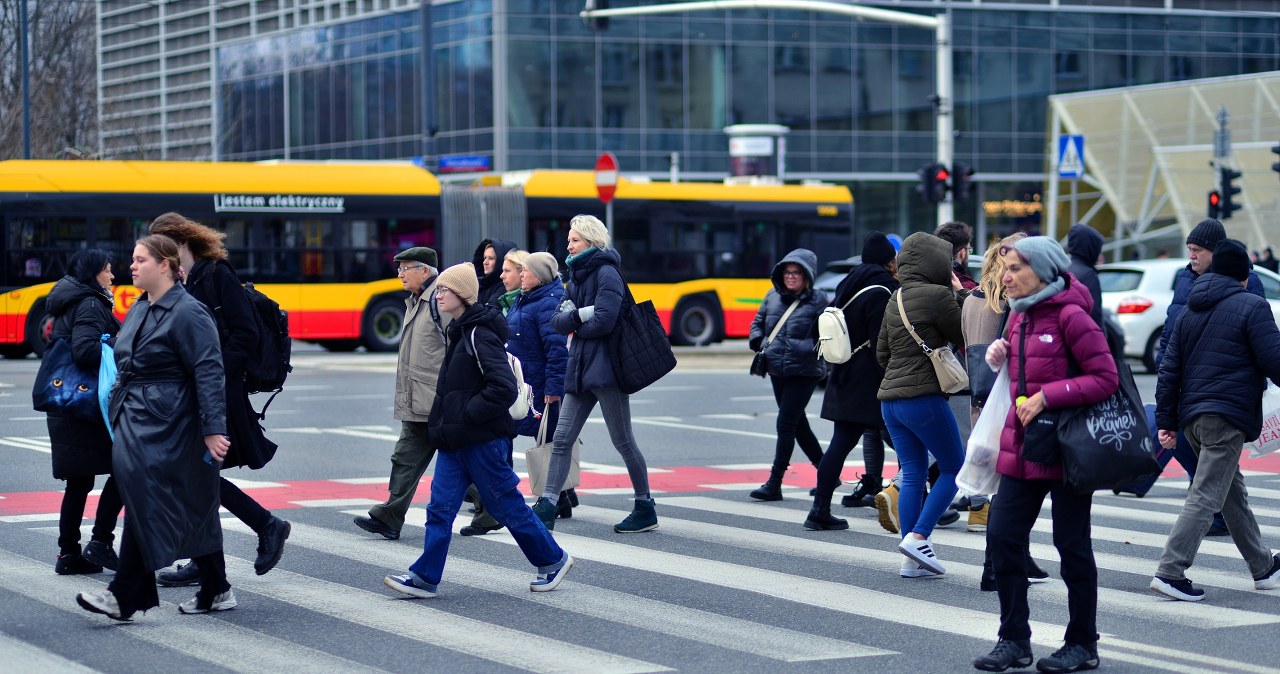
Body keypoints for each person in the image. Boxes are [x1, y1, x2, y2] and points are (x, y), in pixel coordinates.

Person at [383, 263, 573, 598]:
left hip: (482, 440)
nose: (438, 294)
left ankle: (554, 559)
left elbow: (502, 388)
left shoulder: (478, 333)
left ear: (462, 294)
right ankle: (425, 576)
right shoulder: (458, 330)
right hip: (456, 439)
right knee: (439, 508)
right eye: (438, 289)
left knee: (506, 506)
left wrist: (466, 415)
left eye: (444, 289)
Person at [973, 236, 1117, 673]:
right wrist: (1000, 355)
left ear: (1043, 271)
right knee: (1001, 538)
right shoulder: (1019, 318)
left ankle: (1082, 643)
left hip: (1068, 448)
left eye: (1015, 268)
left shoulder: (1073, 316)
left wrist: (1048, 397)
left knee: (1072, 546)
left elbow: (1105, 377)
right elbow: (1023, 371)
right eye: (1004, 269)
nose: (1006, 277)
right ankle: (1014, 639)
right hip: (1023, 444)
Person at [76, 234, 234, 620]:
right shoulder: (141, 308)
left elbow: (209, 372)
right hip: (136, 418)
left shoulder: (189, 312)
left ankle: (124, 595)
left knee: (146, 500)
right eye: (132, 259)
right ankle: (216, 587)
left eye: (141, 259)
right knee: (189, 505)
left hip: (171, 423)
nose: (131, 266)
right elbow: (123, 361)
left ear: (165, 265)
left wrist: (213, 428)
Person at [148, 214, 291, 586]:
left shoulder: (216, 274)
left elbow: (245, 334)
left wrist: (209, 371)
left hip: (217, 390)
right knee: (195, 475)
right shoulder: (188, 279)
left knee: (194, 474)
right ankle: (213, 556)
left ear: (181, 241)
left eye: (161, 246)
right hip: (197, 390)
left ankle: (264, 526)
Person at [1152, 239, 1280, 602]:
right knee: (1207, 494)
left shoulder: (1190, 309)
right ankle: (1170, 571)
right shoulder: (1253, 305)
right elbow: (1275, 359)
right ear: (1243, 275)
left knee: (1230, 493)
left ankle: (1263, 567)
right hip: (1225, 416)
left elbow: (1168, 370)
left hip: (1191, 417)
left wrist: (1168, 421)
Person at [532, 215, 658, 533]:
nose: (568, 245)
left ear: (591, 241)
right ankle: (547, 505)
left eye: (574, 239)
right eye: (569, 239)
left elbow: (604, 321)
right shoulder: (576, 276)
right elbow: (556, 322)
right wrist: (579, 316)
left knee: (623, 440)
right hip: (581, 366)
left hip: (609, 369)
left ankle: (645, 506)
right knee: (561, 439)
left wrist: (573, 317)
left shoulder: (606, 273)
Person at [1155, 219, 1263, 537]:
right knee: (1217, 473)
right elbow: (1172, 325)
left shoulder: (1246, 283)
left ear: (1216, 253)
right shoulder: (1185, 280)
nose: (1192, 256)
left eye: (1198, 250)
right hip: (1188, 385)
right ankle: (1260, 563)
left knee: (1212, 478)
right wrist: (1165, 365)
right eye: (1189, 250)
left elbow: (1254, 336)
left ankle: (1173, 566)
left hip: (1221, 392)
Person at [876, 232, 966, 578]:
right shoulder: (939, 295)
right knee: (954, 468)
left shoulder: (894, 298)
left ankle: (910, 560)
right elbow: (964, 333)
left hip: (890, 402)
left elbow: (882, 353)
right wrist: (959, 293)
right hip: (924, 398)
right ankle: (918, 536)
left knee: (912, 473)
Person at [354, 247, 450, 540]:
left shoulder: (440, 301)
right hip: (420, 399)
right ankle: (390, 516)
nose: (399, 274)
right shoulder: (417, 301)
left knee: (464, 460)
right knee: (406, 457)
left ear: (424, 271)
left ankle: (493, 509)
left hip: (437, 398)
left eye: (405, 268)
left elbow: (458, 347)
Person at [804, 233, 896, 530]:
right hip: (869, 380)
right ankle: (925, 500)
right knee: (909, 439)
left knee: (840, 444)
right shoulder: (883, 289)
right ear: (890, 260)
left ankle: (819, 509)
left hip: (842, 373)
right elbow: (881, 342)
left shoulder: (848, 282)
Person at [42, 249, 124, 574]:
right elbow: (86, 350)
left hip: (69, 404)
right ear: (94, 275)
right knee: (125, 467)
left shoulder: (72, 300)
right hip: (84, 407)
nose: (113, 275)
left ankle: (69, 555)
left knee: (78, 482)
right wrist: (119, 341)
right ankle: (100, 541)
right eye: (107, 270)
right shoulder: (91, 303)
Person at [747, 248, 829, 502]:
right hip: (777, 368)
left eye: (797, 273)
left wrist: (806, 349)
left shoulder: (819, 301)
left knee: (785, 424)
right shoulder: (772, 296)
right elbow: (757, 324)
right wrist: (761, 343)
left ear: (807, 276)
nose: (791, 277)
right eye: (787, 272)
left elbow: (828, 335)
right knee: (798, 425)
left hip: (804, 370)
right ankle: (828, 473)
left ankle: (775, 483)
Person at [463, 247, 530, 535]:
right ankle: (491, 506)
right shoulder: (505, 301)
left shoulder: (524, 302)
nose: (499, 273)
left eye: (507, 269)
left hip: (523, 380)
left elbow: (546, 345)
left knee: (553, 440)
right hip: (512, 380)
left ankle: (554, 498)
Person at [507, 252, 574, 517]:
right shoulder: (526, 298)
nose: (521, 274)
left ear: (540, 275)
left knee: (547, 441)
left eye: (526, 270)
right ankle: (562, 498)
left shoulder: (548, 302)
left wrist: (553, 389)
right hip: (524, 382)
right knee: (544, 439)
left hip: (539, 385)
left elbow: (557, 350)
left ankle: (555, 499)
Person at [473, 238, 519, 308]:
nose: (485, 262)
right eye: (485, 258)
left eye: (491, 258)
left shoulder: (506, 286)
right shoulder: (479, 284)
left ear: (501, 261)